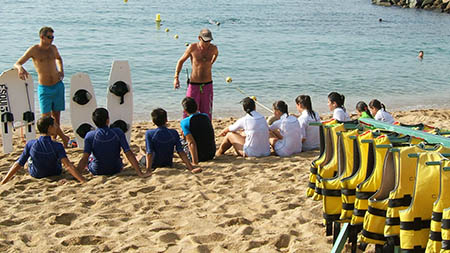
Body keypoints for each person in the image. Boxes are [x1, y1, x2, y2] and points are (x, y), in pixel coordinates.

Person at [14, 26, 69, 146]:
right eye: (49, 37)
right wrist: (20, 68)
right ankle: (64, 138)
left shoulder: (53, 48)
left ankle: (54, 140)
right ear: (42, 37)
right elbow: (18, 62)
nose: (52, 39)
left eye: (53, 37)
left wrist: (61, 70)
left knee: (57, 116)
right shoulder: (34, 50)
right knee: (46, 118)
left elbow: (59, 58)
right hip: (45, 88)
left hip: (57, 85)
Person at [1, 116, 86, 184]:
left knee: (29, 158)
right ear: (49, 128)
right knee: (58, 157)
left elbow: (18, 164)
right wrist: (82, 180)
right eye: (55, 125)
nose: (57, 127)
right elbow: (68, 166)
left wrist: (4, 181)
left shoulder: (31, 144)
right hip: (55, 172)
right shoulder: (58, 145)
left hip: (37, 174)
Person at [76, 108, 149, 177]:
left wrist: (77, 175)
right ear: (107, 120)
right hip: (116, 169)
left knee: (91, 157)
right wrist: (139, 173)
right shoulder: (118, 132)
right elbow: (128, 153)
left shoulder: (89, 135)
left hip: (97, 171)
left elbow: (84, 158)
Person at [173, 28, 219, 119]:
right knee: (189, 109)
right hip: (194, 83)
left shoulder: (213, 48)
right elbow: (180, 61)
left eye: (209, 41)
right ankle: (186, 130)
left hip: (207, 84)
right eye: (205, 41)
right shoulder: (192, 48)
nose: (207, 43)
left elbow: (216, 55)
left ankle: (206, 129)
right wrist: (176, 77)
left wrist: (210, 64)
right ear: (199, 38)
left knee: (207, 110)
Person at [144, 108, 201, 173]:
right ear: (166, 120)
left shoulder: (149, 133)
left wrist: (148, 170)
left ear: (153, 121)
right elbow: (180, 151)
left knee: (141, 156)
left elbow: (149, 153)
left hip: (154, 164)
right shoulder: (173, 132)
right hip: (168, 163)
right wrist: (190, 168)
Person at [180, 97, 215, 164]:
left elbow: (191, 143)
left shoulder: (184, 122)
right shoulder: (205, 116)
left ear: (185, 111)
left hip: (198, 156)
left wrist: (195, 162)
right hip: (210, 153)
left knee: (177, 142)